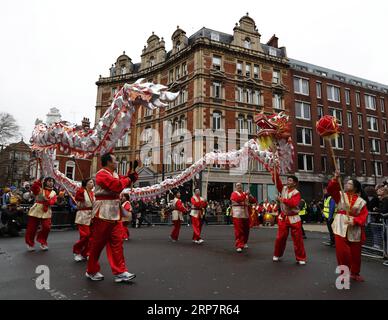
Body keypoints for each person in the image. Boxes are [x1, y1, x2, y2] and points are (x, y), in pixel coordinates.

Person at [86, 153, 138, 282]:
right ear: (108, 162)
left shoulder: (114, 174)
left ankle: (120, 271)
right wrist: (129, 179)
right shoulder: (101, 174)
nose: (116, 163)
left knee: (117, 242)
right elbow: (117, 185)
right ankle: (91, 270)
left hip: (114, 212)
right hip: (103, 211)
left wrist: (133, 171)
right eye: (115, 160)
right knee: (98, 244)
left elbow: (125, 179)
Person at [327, 171, 368, 282]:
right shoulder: (340, 195)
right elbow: (330, 189)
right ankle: (344, 273)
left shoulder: (361, 202)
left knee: (356, 253)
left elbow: (364, 215)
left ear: (355, 188)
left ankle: (355, 273)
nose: (346, 185)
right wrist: (335, 178)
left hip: (355, 228)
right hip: (340, 226)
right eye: (346, 183)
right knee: (342, 252)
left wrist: (355, 221)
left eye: (349, 184)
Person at [272, 174, 307, 265]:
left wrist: (282, 199)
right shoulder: (283, 189)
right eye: (288, 180)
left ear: (295, 183)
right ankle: (277, 254)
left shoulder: (296, 193)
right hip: (283, 217)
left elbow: (293, 203)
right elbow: (277, 181)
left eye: (290, 180)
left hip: (294, 217)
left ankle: (301, 258)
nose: (288, 182)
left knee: (298, 239)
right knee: (280, 238)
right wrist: (275, 171)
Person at [25, 177, 58, 251]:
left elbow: (53, 200)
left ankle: (42, 241)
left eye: (52, 181)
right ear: (45, 182)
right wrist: (39, 180)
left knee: (47, 227)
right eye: (49, 181)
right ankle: (30, 243)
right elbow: (33, 188)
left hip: (47, 210)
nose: (51, 183)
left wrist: (48, 201)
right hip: (36, 209)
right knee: (32, 228)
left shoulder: (54, 192)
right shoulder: (39, 189)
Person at [73, 178, 95, 262]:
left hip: (91, 216)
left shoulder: (92, 193)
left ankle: (86, 253)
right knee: (85, 235)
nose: (92, 184)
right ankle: (76, 251)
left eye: (93, 182)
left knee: (91, 237)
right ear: (85, 184)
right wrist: (81, 194)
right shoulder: (81, 191)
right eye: (90, 182)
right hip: (83, 215)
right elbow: (78, 200)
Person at [230, 183, 250, 253]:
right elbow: (238, 199)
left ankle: (244, 242)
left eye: (240, 186)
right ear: (235, 187)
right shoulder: (234, 193)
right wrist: (245, 195)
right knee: (238, 230)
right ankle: (239, 245)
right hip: (237, 213)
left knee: (246, 229)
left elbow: (253, 201)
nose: (239, 187)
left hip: (245, 213)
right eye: (238, 186)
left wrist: (250, 195)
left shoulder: (245, 194)